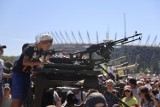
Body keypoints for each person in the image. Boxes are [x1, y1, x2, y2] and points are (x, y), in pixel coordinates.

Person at [10, 34, 53, 107]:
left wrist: (46, 62)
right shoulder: (31, 48)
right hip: (19, 74)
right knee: (18, 98)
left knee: (23, 97)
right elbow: (25, 62)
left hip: (26, 74)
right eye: (48, 45)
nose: (49, 47)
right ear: (43, 42)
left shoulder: (41, 51)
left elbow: (37, 62)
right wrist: (40, 62)